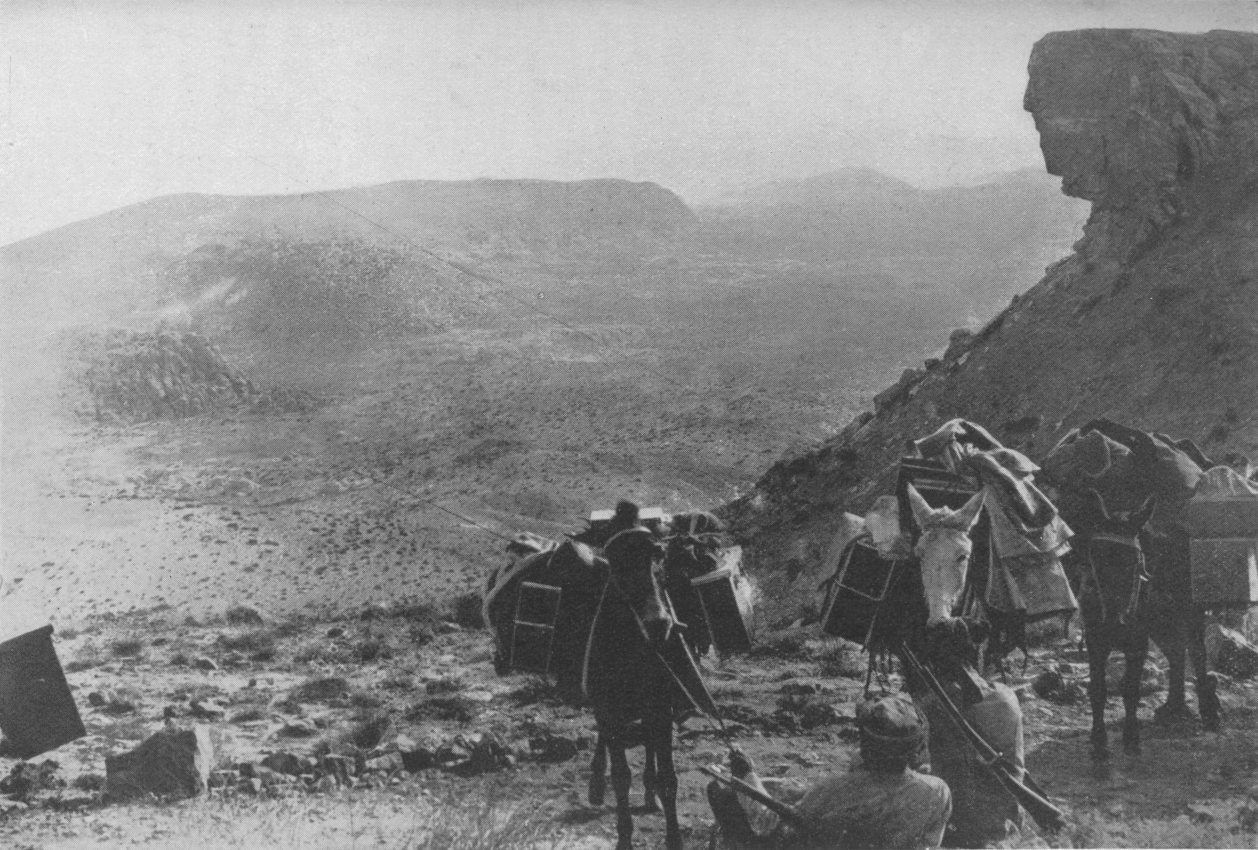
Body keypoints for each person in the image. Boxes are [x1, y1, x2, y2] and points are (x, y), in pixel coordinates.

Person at [707, 694, 952, 849]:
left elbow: (767, 824)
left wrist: (748, 775)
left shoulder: (832, 791)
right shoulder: (936, 792)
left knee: (725, 799)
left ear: (867, 745)